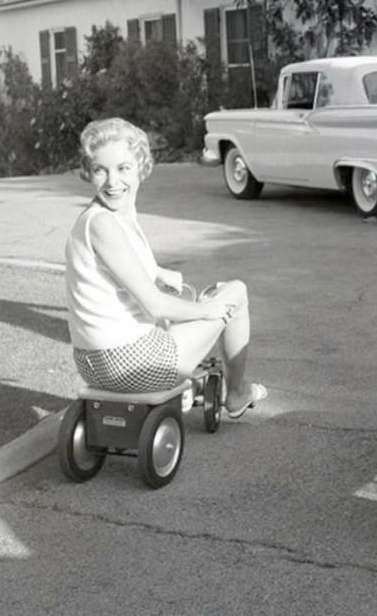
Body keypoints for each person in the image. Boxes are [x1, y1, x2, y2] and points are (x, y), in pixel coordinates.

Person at [65, 117, 267, 418]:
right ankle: (236, 394)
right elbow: (156, 305)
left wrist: (156, 271)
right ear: (88, 172)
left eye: (123, 169)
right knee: (234, 293)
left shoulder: (102, 216)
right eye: (100, 170)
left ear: (140, 168)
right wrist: (209, 312)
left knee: (195, 304)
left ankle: (190, 386)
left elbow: (114, 265)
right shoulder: (105, 223)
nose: (112, 182)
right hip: (134, 365)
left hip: (92, 365)